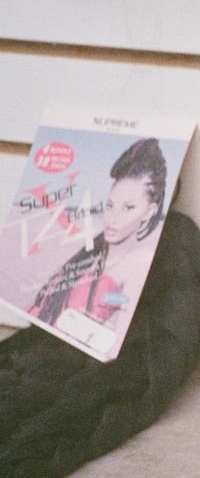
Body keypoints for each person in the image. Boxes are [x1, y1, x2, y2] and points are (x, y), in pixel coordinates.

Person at [31, 139, 167, 338]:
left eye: (128, 208)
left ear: (149, 211)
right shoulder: (90, 252)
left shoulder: (139, 261)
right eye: (110, 205)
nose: (113, 218)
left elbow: (116, 343)